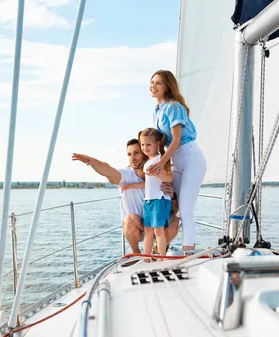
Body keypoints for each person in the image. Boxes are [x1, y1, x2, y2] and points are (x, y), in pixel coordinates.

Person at [72, 138, 179, 254]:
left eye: (136, 153)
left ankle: (158, 250)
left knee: (174, 220)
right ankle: (136, 253)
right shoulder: (125, 175)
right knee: (129, 220)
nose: (132, 158)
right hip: (138, 227)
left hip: (158, 225)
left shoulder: (161, 174)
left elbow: (174, 210)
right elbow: (107, 169)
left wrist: (172, 195)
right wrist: (91, 161)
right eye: (129, 154)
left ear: (145, 152)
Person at [146, 70, 207, 251]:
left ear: (167, 87)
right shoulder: (157, 110)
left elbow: (177, 139)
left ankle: (188, 251)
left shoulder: (174, 107)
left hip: (190, 158)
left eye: (158, 83)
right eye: (152, 82)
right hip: (176, 162)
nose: (153, 86)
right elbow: (162, 142)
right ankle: (165, 245)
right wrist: (155, 163)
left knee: (186, 208)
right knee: (173, 204)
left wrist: (159, 163)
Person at [124, 128, 173, 262]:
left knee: (158, 231)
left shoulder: (161, 159)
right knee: (148, 231)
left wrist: (158, 173)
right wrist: (131, 186)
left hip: (159, 199)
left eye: (148, 145)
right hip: (149, 201)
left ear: (157, 144)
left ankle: (160, 259)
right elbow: (147, 183)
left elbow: (169, 177)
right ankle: (146, 259)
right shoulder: (146, 163)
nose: (145, 148)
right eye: (143, 145)